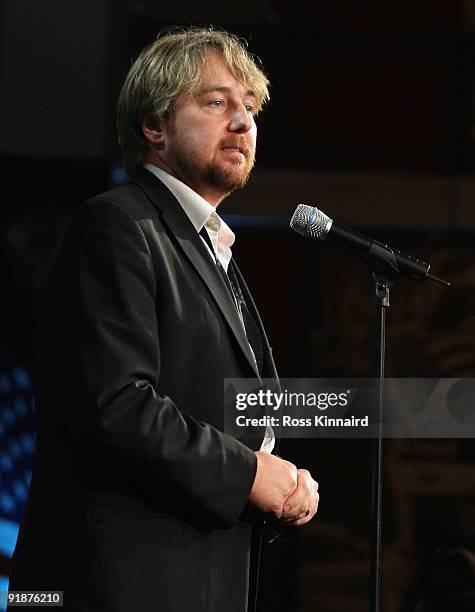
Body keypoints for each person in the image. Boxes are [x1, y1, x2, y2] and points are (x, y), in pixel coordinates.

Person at [8, 27, 319, 611]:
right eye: (217, 101)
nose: (243, 123)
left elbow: (225, 407)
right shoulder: (117, 226)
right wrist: (252, 473)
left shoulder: (210, 250)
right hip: (116, 586)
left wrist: (285, 482)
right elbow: (116, 403)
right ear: (154, 126)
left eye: (249, 107)